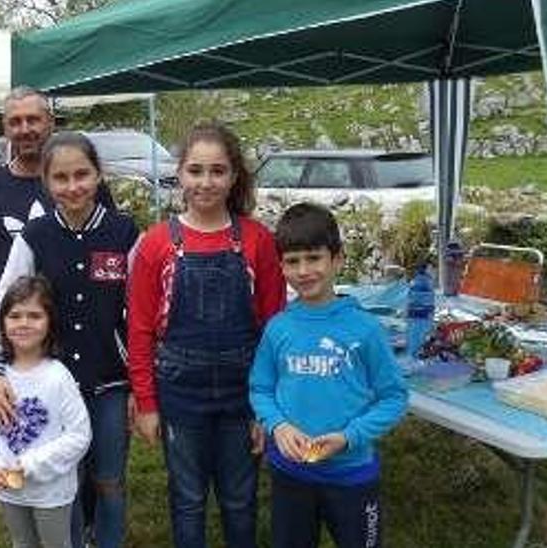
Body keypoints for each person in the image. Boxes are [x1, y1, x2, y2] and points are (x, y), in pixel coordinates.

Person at [127, 122, 286, 548]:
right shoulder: (157, 243)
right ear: (180, 174)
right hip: (179, 393)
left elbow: (275, 328)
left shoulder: (257, 239)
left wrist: (267, 408)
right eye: (195, 170)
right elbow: (140, 330)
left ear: (234, 176)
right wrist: (145, 403)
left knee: (240, 499)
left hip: (244, 392)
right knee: (188, 498)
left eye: (217, 171)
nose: (206, 181)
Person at [0, 132, 138, 548]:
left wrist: (141, 385)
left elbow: (139, 314)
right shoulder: (35, 235)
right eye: (61, 178)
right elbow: (4, 304)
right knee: (62, 477)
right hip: (54, 383)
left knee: (108, 480)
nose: (73, 187)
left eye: (82, 174)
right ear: (47, 184)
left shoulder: (123, 232)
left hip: (110, 383)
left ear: (98, 175)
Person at [249, 203, 408, 548]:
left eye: (314, 258)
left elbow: (394, 397)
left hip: (351, 473)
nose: (304, 270)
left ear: (337, 259)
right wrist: (278, 425)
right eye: (292, 261)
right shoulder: (278, 328)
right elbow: (260, 388)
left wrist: (349, 436)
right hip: (290, 473)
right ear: (281, 266)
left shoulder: (365, 330)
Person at [0, 275, 92, 548]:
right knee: (22, 543)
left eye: (34, 316)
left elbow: (79, 435)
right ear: (1, 322)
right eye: (15, 316)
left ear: (50, 323)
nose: (24, 323)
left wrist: (31, 464)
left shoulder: (58, 377)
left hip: (51, 490)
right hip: (8, 490)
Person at [0, 87, 56, 297]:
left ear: (50, 123)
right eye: (15, 122)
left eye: (33, 119)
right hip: (16, 318)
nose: (24, 129)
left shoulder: (77, 184)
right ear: (5, 128)